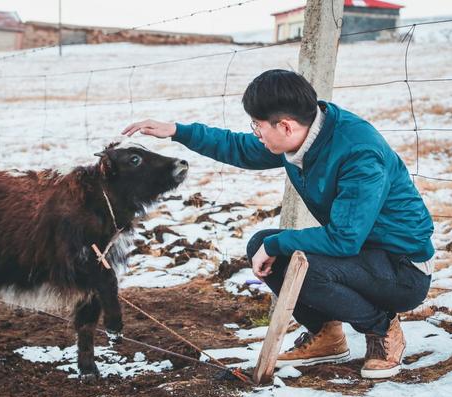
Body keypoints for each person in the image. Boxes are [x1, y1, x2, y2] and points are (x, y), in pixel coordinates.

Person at [121, 69, 434, 379]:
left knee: (296, 260)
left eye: (258, 126)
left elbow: (344, 240)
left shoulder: (358, 153)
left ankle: (382, 330)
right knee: (261, 244)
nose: (256, 133)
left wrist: (277, 244)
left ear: (285, 126)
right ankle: (326, 336)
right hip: (361, 254)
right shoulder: (304, 133)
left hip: (402, 269)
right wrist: (178, 131)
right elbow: (239, 147)